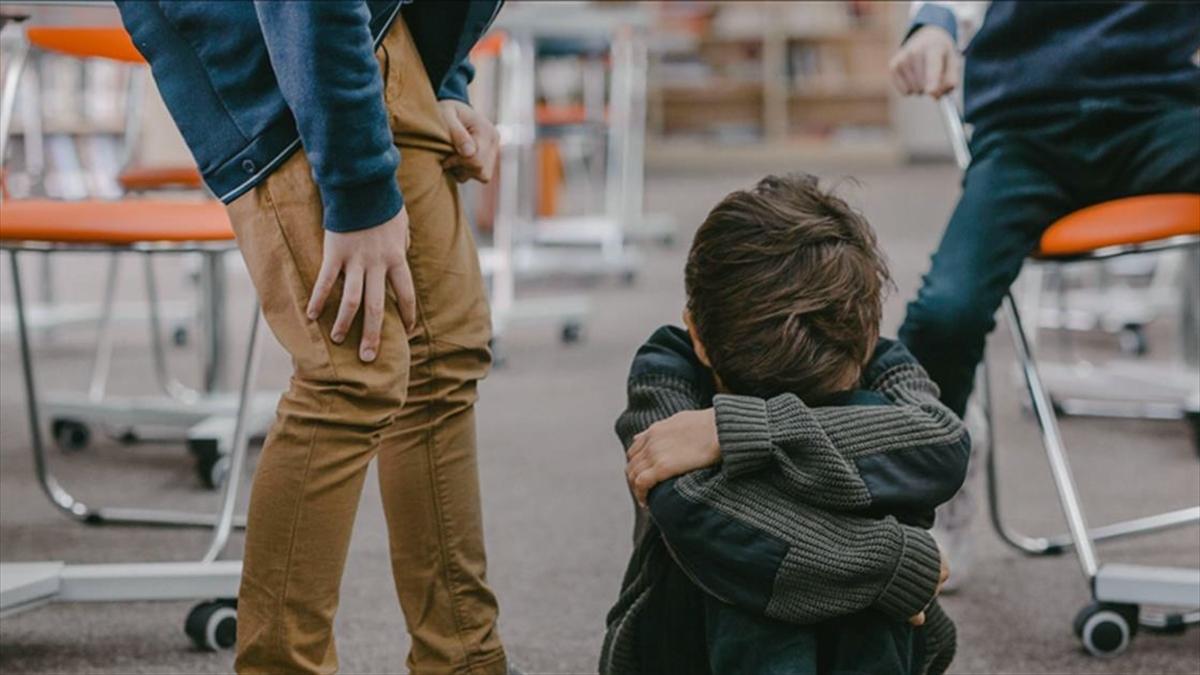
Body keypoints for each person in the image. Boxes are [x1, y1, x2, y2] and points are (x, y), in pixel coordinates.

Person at [115, 2, 513, 673]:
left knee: (442, 353)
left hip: (384, 38)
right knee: (351, 371)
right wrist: (358, 191)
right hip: (291, 54)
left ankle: (464, 660)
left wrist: (440, 81)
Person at [601, 174, 970, 675]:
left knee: (869, 433)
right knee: (736, 550)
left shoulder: (879, 362)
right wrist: (892, 563)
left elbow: (942, 443)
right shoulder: (668, 367)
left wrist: (741, 430)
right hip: (683, 642)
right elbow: (693, 509)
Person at [889, 1, 1200, 588]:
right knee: (943, 316)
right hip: (1028, 133)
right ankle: (942, 468)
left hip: (1157, 114)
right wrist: (933, 23)